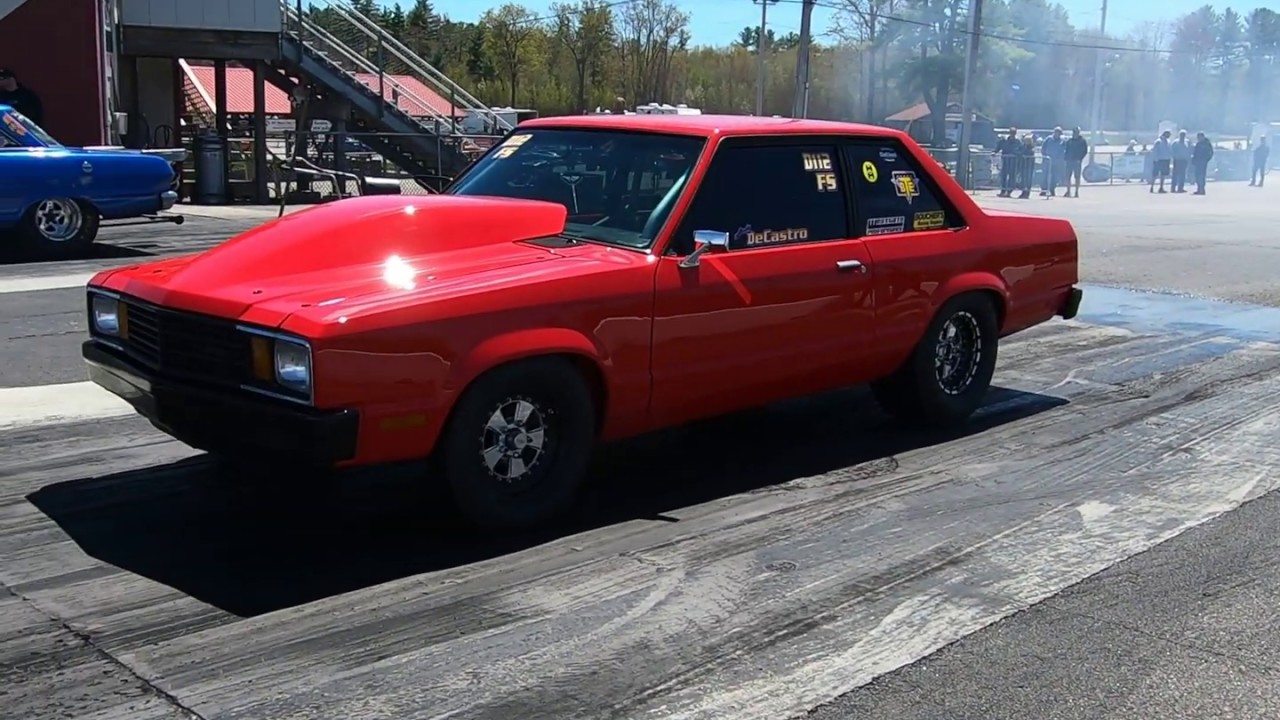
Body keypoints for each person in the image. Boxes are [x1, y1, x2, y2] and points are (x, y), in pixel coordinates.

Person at [1040, 127, 1066, 196]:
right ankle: (1043, 190)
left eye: (1059, 132)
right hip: (1047, 161)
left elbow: (1064, 150)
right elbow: (1043, 148)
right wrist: (1044, 155)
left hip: (1056, 162)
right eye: (1057, 132)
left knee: (1055, 177)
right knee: (1045, 175)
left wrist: (1060, 158)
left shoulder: (1062, 141)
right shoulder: (1048, 139)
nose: (1058, 134)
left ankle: (1052, 189)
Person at [1063, 127, 1088, 198]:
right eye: (1074, 132)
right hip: (1069, 161)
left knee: (1077, 177)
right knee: (1067, 177)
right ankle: (1068, 191)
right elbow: (1066, 150)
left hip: (1077, 161)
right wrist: (1066, 158)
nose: (1075, 133)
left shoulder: (1082, 141)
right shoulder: (1069, 141)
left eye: (1076, 132)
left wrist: (1080, 159)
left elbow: (1085, 151)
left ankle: (1076, 192)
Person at [996, 127, 1020, 197]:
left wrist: (1018, 154)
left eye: (1014, 133)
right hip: (1005, 161)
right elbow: (999, 147)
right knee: (1003, 176)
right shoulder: (1004, 140)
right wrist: (994, 152)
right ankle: (1003, 191)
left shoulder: (1018, 141)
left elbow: (1021, 149)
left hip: (1013, 162)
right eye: (1011, 132)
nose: (1012, 134)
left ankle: (1009, 192)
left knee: (1012, 177)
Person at [1016, 134, 1036, 199]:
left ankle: (1027, 193)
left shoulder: (1031, 149)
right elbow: (1018, 152)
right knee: (1023, 180)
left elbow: (1030, 154)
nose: (1026, 141)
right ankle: (1023, 192)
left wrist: (1023, 155)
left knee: (1028, 180)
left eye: (1027, 140)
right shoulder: (1023, 147)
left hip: (1029, 167)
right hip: (1023, 166)